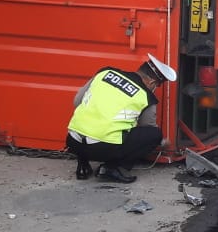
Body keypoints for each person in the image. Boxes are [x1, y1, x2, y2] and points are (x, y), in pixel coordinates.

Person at [65, 54, 178, 183]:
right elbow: (147, 127)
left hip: (73, 142)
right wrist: (162, 143)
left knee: (87, 126)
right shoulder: (146, 95)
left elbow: (77, 101)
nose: (154, 89)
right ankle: (110, 168)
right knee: (154, 135)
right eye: (156, 86)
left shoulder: (105, 73)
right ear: (152, 82)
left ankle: (82, 165)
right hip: (101, 150)